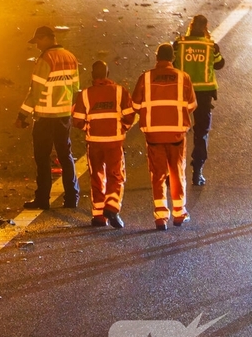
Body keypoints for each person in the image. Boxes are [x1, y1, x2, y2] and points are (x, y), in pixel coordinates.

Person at [133, 43, 197, 230]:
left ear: (156, 57)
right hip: (176, 134)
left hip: (153, 135)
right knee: (177, 173)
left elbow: (136, 105)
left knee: (158, 175)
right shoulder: (183, 77)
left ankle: (161, 216)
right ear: (173, 58)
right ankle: (179, 213)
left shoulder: (145, 78)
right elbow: (192, 105)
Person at [16, 26, 81, 210]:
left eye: (38, 41)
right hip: (64, 116)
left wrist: (22, 115)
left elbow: (35, 93)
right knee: (65, 156)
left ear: (46, 38)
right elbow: (75, 89)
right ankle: (71, 198)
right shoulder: (70, 57)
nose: (37, 45)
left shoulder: (45, 59)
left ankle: (43, 199)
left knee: (42, 158)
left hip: (45, 117)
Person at [72, 61, 136, 228]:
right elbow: (130, 116)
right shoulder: (120, 92)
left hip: (94, 142)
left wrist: (89, 128)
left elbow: (77, 120)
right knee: (116, 175)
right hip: (114, 142)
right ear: (107, 74)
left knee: (97, 177)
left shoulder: (85, 94)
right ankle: (112, 206)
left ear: (92, 75)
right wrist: (122, 128)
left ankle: (99, 217)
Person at [173, 15, 225, 186]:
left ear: (191, 26)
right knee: (201, 133)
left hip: (183, 93)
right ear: (205, 28)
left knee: (178, 133)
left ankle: (173, 172)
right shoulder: (211, 46)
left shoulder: (179, 44)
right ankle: (197, 172)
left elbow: (172, 63)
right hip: (203, 95)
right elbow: (219, 64)